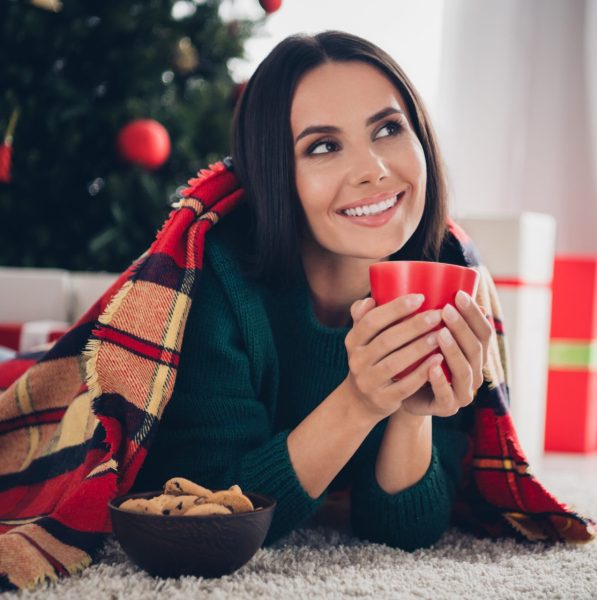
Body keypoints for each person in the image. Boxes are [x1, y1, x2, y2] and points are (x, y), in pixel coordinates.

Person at [129, 31, 496, 551]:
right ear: (277, 175)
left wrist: (411, 411)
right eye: (323, 146)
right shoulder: (220, 284)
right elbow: (209, 518)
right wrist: (361, 400)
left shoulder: (446, 274)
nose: (372, 170)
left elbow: (402, 532)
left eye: (389, 128)